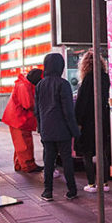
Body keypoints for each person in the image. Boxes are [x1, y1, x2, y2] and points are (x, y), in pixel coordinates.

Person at [35, 53, 80, 201]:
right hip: (62, 130)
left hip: (47, 129)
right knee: (66, 160)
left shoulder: (40, 85)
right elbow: (68, 110)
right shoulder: (63, 84)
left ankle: (47, 191)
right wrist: (74, 130)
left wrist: (40, 128)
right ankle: (71, 190)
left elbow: (38, 110)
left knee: (48, 161)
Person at [75, 51, 112, 193]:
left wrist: (77, 121)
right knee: (102, 152)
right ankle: (104, 183)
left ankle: (91, 184)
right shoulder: (105, 77)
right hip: (102, 119)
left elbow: (81, 103)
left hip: (89, 121)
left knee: (88, 153)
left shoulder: (88, 79)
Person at [3, 68, 42, 173]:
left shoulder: (24, 84)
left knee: (20, 144)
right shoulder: (23, 86)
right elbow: (28, 104)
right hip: (19, 120)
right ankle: (28, 166)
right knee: (24, 144)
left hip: (19, 119)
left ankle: (20, 165)